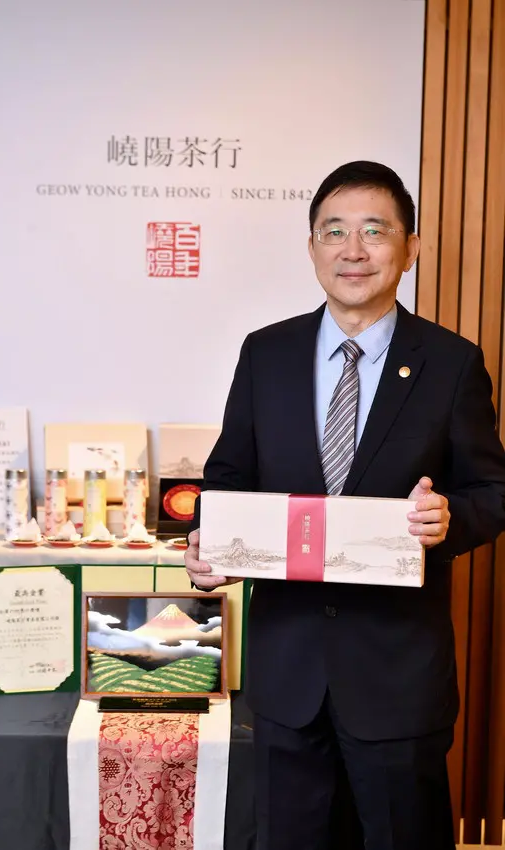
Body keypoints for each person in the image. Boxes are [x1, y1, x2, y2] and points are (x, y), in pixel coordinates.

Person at [184, 161, 505, 850]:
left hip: (397, 678)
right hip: (287, 674)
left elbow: (492, 492)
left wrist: (448, 520)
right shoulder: (266, 353)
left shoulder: (451, 363)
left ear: (409, 248)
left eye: (374, 231)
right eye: (334, 231)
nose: (352, 249)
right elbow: (227, 479)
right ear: (312, 248)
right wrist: (207, 545)